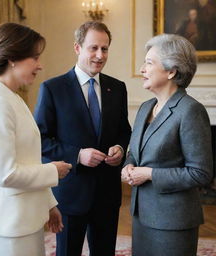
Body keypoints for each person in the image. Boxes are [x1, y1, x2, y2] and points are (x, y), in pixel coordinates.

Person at [34, 21, 132, 256]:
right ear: (77, 48)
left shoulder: (117, 88)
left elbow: (124, 130)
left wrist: (119, 147)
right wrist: (77, 155)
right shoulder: (52, 88)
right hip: (70, 193)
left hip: (107, 193)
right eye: (93, 48)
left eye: (105, 49)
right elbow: (41, 140)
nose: (100, 55)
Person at [0, 22, 72, 256]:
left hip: (25, 219)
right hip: (10, 225)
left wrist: (49, 204)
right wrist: (53, 171)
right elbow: (6, 174)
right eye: (35, 58)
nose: (40, 66)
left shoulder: (13, 97)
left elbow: (28, 160)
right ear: (13, 59)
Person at [122, 33, 213, 256]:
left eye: (149, 63)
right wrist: (128, 165)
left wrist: (150, 174)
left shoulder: (191, 111)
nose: (142, 69)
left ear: (172, 71)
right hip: (141, 215)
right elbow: (135, 152)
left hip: (173, 221)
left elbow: (200, 173)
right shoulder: (144, 107)